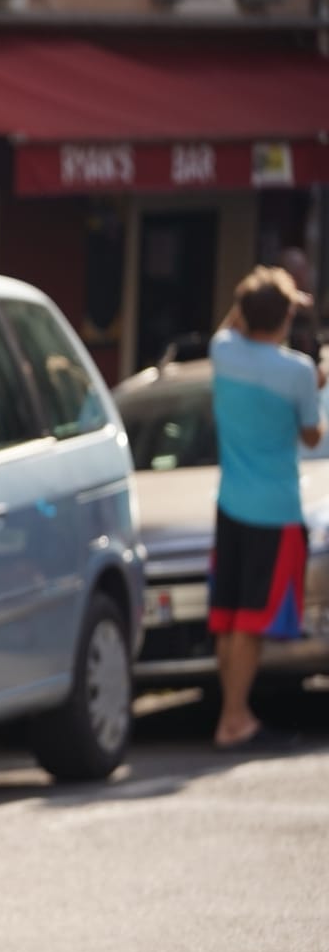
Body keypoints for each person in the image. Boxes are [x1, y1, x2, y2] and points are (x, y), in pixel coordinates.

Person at [208, 265, 324, 751]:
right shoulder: (297, 371)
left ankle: (232, 712)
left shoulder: (223, 352)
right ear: (284, 316)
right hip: (274, 509)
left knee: (228, 614)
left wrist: (257, 292)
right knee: (252, 620)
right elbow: (312, 434)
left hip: (231, 503)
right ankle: (235, 718)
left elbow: (233, 321)